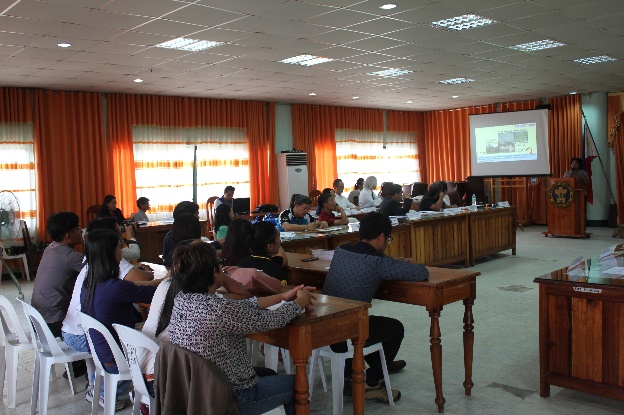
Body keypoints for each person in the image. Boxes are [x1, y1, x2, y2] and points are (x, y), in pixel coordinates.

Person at [168, 240, 314, 415]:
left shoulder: (182, 300)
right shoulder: (219, 310)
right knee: (296, 384)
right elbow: (274, 319)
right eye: (219, 264)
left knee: (269, 373)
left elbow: (243, 306)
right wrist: (300, 302)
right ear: (214, 273)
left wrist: (282, 296)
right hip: (232, 395)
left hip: (199, 389)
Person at [322, 212, 429, 402]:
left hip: (326, 327)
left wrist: (395, 263)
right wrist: (409, 263)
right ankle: (372, 382)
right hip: (348, 333)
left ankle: (375, 365)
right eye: (388, 239)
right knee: (395, 328)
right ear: (381, 237)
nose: (387, 243)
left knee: (369, 323)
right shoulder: (378, 261)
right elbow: (421, 273)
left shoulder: (341, 250)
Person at [61, 218, 157, 405]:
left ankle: (103, 389)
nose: (121, 252)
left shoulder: (90, 281)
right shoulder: (116, 287)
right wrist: (170, 280)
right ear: (110, 254)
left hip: (101, 353)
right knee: (161, 345)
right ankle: (142, 394)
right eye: (119, 248)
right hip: (115, 360)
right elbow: (155, 295)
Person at [141, 239, 253, 398]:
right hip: (166, 380)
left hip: (149, 373)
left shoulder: (168, 285)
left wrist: (214, 271)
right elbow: (244, 295)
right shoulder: (197, 299)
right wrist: (218, 273)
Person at [31, 212, 87, 379]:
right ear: (68, 236)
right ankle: (89, 366)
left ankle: (78, 364)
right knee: (98, 317)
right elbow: (99, 268)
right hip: (55, 322)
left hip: (39, 320)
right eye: (78, 229)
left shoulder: (51, 248)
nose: (81, 232)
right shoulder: (70, 257)